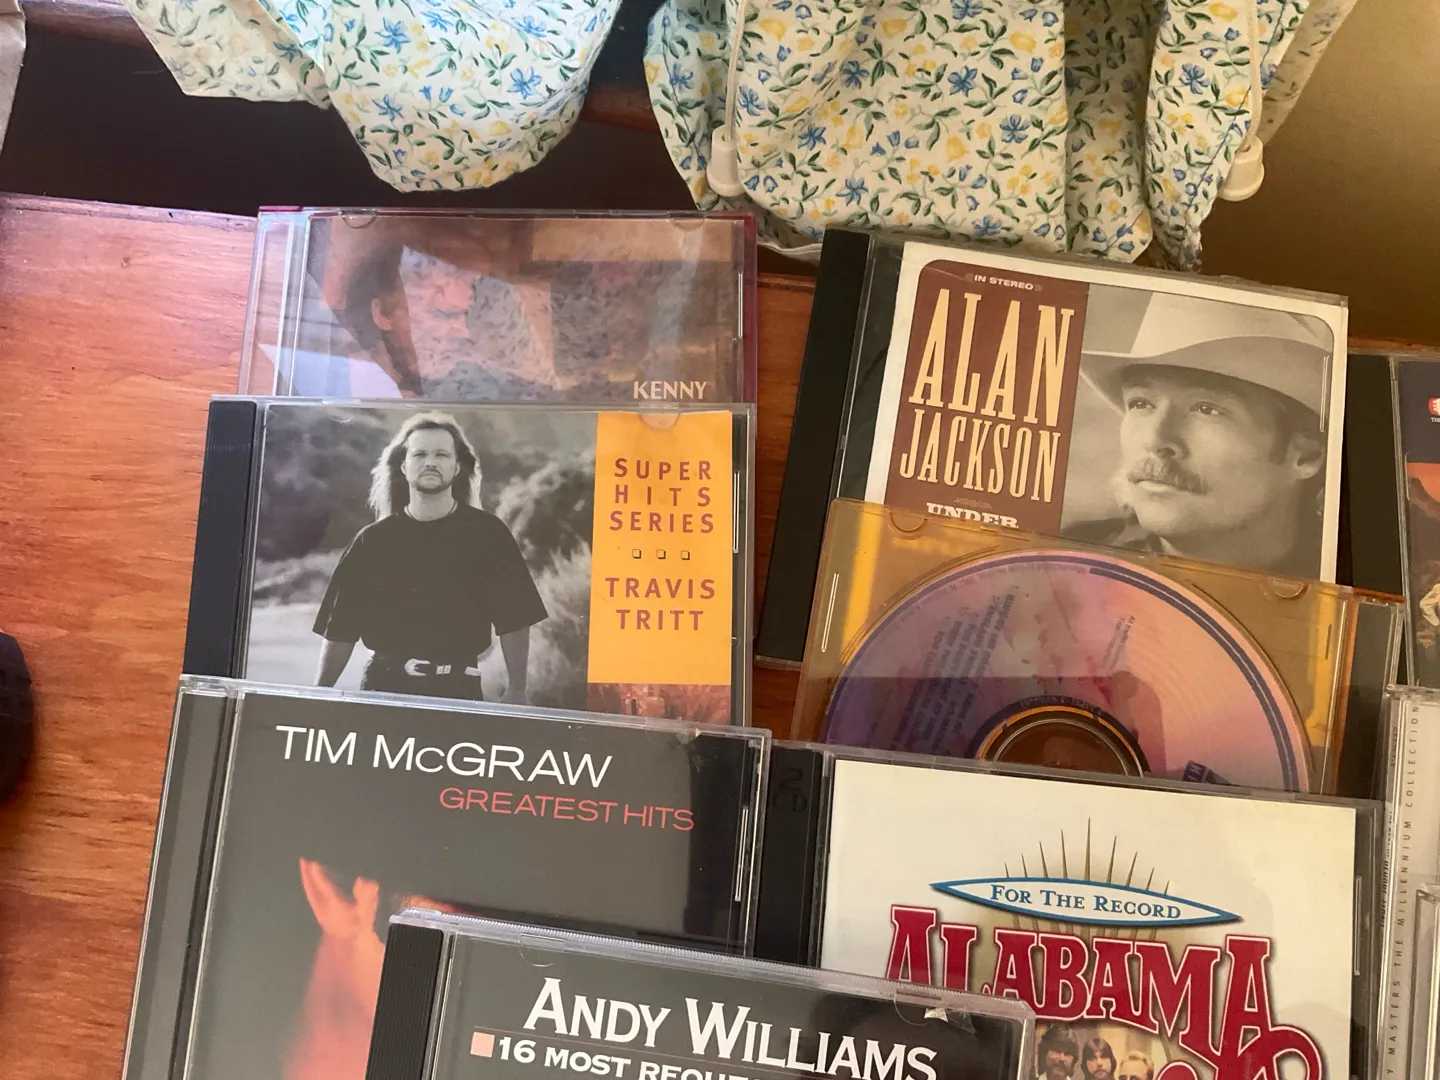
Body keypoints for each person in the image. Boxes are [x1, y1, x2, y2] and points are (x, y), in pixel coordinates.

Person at [1065, 293, 1332, 580]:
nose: (1155, 440)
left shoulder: (1341, 582)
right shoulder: (1068, 563)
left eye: (1207, 409)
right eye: (1141, 403)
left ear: (1306, 455)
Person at [311, 411, 548, 702]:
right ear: (404, 465)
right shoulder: (371, 540)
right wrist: (320, 693)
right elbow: (340, 629)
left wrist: (517, 689)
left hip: (459, 693)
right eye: (420, 454)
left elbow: (515, 617)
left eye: (442, 455)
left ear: (457, 467)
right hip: (383, 691)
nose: (431, 462)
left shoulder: (488, 534)